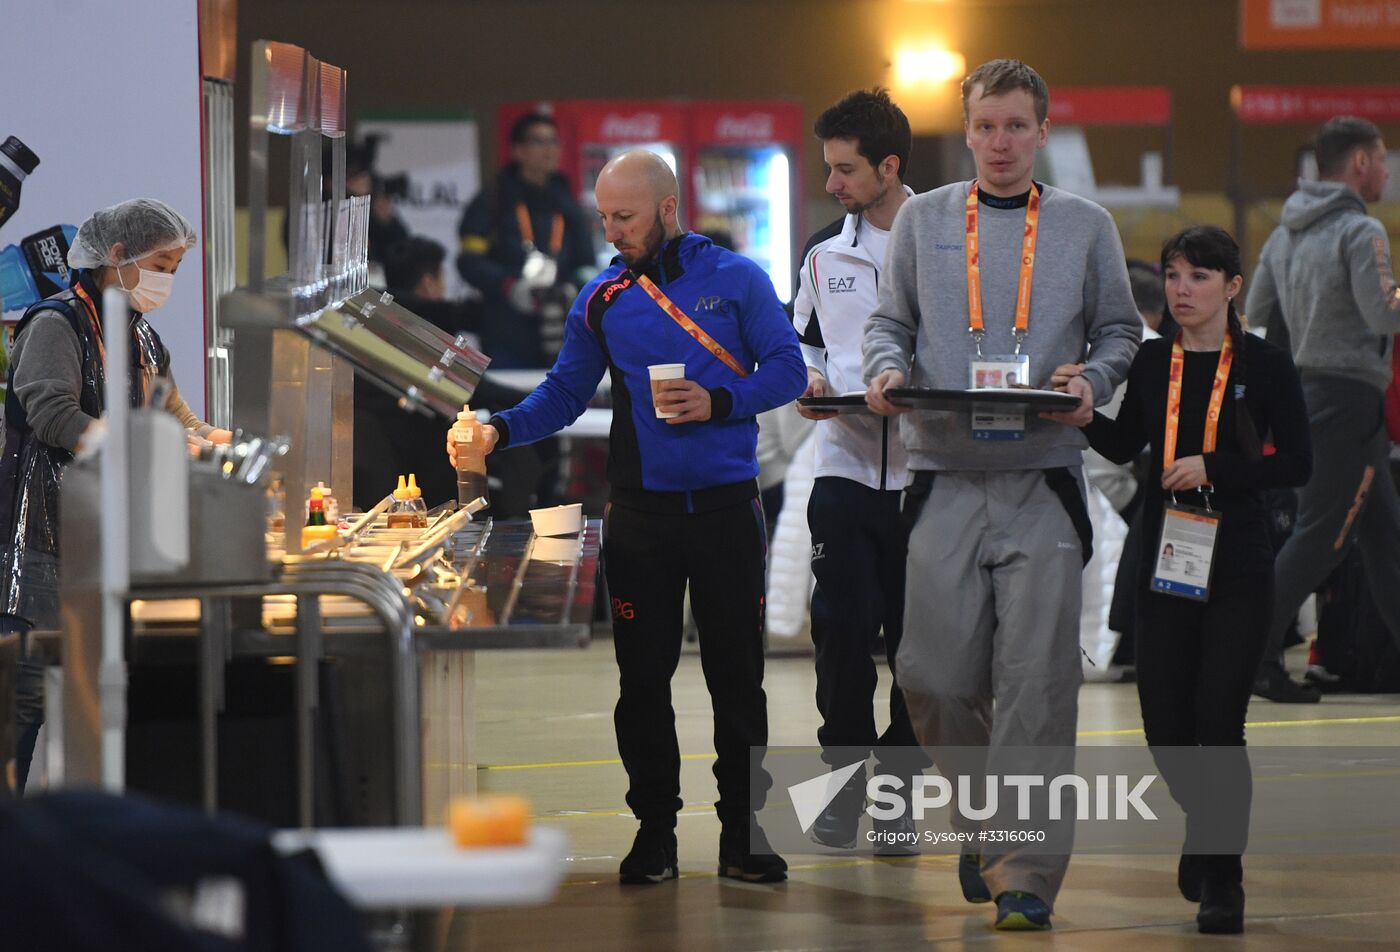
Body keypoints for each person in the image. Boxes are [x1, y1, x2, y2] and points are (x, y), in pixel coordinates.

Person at [448, 150, 806, 883]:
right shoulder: (602, 298)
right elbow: (564, 392)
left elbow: (789, 369)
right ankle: (656, 832)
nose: (612, 231)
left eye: (626, 217)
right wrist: (498, 429)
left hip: (728, 510)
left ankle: (744, 835)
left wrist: (721, 400)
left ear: (668, 209)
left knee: (736, 680)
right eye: (604, 217)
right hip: (640, 515)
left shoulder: (737, 280)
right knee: (640, 683)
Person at [862, 59, 1141, 930]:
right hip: (943, 470)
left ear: (1042, 131)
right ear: (966, 129)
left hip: (1043, 475)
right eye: (986, 126)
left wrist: (1093, 378)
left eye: (1017, 126)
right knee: (931, 677)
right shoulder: (923, 221)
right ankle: (993, 828)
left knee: (1035, 685)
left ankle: (1024, 873)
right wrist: (885, 368)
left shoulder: (1086, 226)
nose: (1000, 143)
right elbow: (888, 322)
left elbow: (1122, 329)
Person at [1068, 225, 1311, 934]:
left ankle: (1223, 878)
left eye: (1200, 277)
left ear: (1233, 288)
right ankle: (1204, 827)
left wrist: (1219, 467)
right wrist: (1082, 414)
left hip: (1236, 555)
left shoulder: (1265, 365)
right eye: (1174, 275)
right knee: (1166, 726)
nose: (1182, 290)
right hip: (1165, 555)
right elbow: (1124, 442)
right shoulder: (1151, 364)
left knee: (1218, 721)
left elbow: (1297, 463)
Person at [0, 198, 228, 794]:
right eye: (162, 265)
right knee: (21, 705)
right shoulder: (54, 323)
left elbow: (172, 412)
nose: (167, 281)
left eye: (176, 269)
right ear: (118, 256)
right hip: (40, 547)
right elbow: (52, 414)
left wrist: (214, 440)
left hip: (104, 549)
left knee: (87, 706)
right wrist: (131, 444)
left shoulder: (140, 332)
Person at [791, 87, 919, 849]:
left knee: (916, 649)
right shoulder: (820, 252)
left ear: (889, 166)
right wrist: (807, 381)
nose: (833, 183)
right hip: (840, 469)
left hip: (926, 477)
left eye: (845, 169)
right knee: (839, 638)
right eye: (830, 168)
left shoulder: (946, 241)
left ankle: (898, 803)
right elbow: (803, 343)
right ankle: (840, 791)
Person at [1247, 115, 1400, 703]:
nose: (1386, 172)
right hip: (1351, 401)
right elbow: (1384, 313)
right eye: (1383, 160)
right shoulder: (1362, 234)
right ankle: (1254, 657)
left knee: (1387, 537)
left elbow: (1258, 316)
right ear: (1359, 165)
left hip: (1311, 394)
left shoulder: (1286, 234)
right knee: (1321, 539)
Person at [456, 112, 596, 368]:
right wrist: (508, 285)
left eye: (553, 142)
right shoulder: (493, 201)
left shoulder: (567, 203)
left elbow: (586, 262)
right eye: (539, 142)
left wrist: (573, 287)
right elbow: (469, 261)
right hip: (506, 333)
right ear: (518, 150)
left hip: (561, 331)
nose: (549, 150)